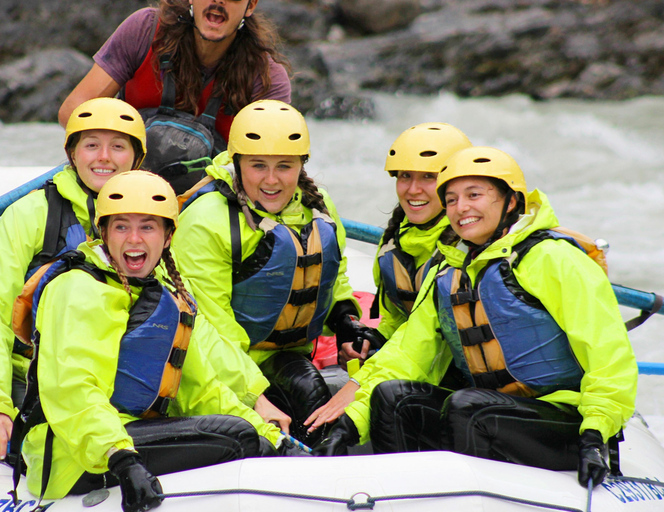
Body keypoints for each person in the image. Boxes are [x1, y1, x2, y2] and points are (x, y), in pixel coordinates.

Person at [316, 146, 637, 490]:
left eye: (474, 195)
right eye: (451, 199)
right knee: (394, 397)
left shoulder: (552, 259)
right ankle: (404, 497)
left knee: (467, 406)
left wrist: (595, 433)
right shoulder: (447, 270)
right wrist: (350, 425)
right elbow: (407, 356)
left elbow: (609, 355)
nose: (461, 208)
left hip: (568, 420)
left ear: (511, 201)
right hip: (496, 412)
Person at [13, 171, 284, 508]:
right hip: (74, 456)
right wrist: (123, 458)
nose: (134, 240)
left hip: (130, 437)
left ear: (168, 237)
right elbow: (73, 387)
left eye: (148, 227)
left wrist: (274, 438)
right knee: (236, 437)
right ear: (104, 232)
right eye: (122, 226)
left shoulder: (163, 292)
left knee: (250, 433)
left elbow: (201, 389)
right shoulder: (78, 289)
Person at [0, 98, 147, 460]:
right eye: (92, 145)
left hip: (82, 378)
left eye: (118, 146)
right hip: (12, 374)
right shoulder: (32, 214)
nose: (104, 157)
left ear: (136, 158)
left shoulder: (148, 222)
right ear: (73, 153)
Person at [172, 99, 380, 447]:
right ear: (237, 164)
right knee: (306, 390)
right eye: (258, 166)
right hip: (226, 364)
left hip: (291, 354)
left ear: (302, 165)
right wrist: (254, 397)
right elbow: (213, 330)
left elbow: (334, 277)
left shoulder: (318, 205)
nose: (272, 180)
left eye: (285, 166)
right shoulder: (207, 221)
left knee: (316, 396)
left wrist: (345, 323)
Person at [304, 122, 472, 434]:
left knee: (387, 399)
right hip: (422, 365)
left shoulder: (463, 252)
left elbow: (422, 342)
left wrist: (356, 389)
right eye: (405, 176)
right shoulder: (397, 239)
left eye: (428, 177)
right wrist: (373, 340)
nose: (412, 189)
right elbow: (398, 321)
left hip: (464, 382)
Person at [58, 0, 291, 141]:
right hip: (129, 180)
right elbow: (72, 113)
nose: (219, 1)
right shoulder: (144, 30)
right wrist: (121, 149)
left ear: (250, 6)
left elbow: (269, 165)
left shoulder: (267, 79)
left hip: (210, 197)